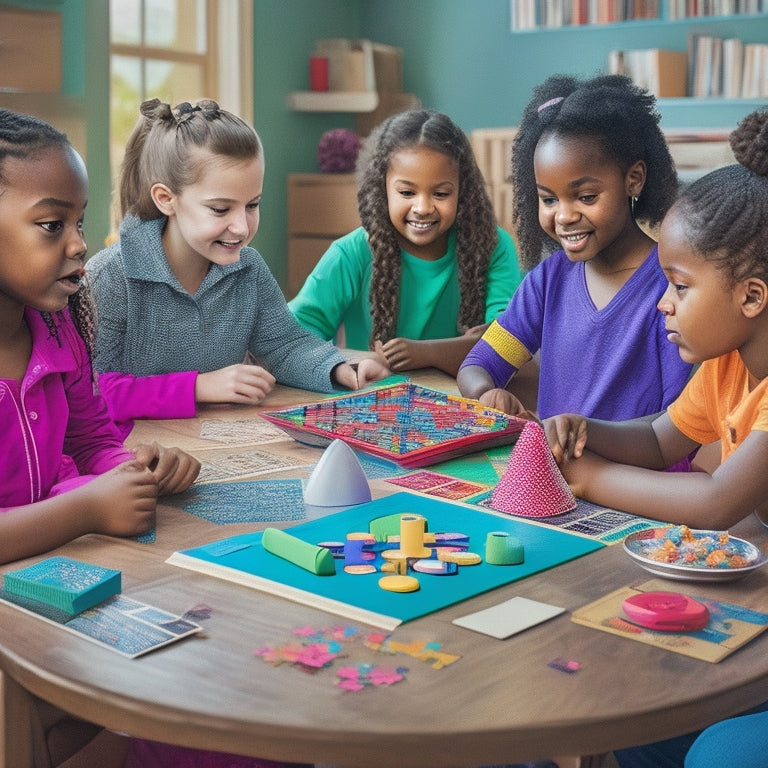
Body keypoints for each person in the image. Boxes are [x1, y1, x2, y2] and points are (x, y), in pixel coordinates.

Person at [86, 98, 387, 437]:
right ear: (166, 199)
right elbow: (91, 393)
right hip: (133, 454)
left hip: (220, 443)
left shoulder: (248, 269)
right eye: (220, 209)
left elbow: (284, 345)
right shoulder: (109, 278)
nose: (242, 228)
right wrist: (198, 388)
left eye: (252, 205)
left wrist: (337, 369)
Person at [544, 106, 768, 531]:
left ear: (751, 296)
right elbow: (658, 439)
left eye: (680, 287)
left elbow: (716, 503)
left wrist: (590, 478)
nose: (663, 303)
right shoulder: (727, 364)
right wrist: (586, 430)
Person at [457, 75, 692, 421]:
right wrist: (487, 392)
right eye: (548, 199)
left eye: (586, 197)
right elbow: (480, 364)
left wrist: (587, 444)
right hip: (556, 472)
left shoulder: (671, 287)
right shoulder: (548, 282)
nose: (564, 216)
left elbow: (680, 423)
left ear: (634, 180)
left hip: (637, 475)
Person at [288, 108, 525, 378]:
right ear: (382, 189)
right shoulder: (352, 252)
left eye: (440, 193)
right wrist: (343, 368)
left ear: (463, 191)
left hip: (463, 404)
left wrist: (426, 353)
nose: (422, 207)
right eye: (407, 192)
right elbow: (290, 337)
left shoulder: (492, 246)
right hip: (371, 404)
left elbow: (507, 344)